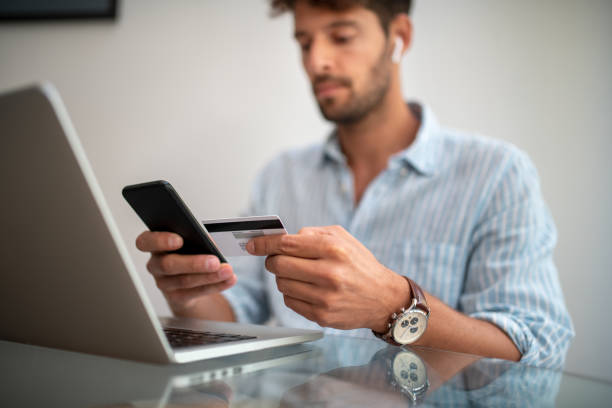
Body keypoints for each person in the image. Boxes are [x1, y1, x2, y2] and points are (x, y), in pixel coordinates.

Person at [136, 0, 573, 369]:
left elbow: (538, 348)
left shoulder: (496, 174)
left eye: (341, 37)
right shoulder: (281, 174)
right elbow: (236, 315)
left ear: (398, 36)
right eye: (304, 43)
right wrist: (190, 296)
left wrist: (396, 305)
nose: (316, 61)